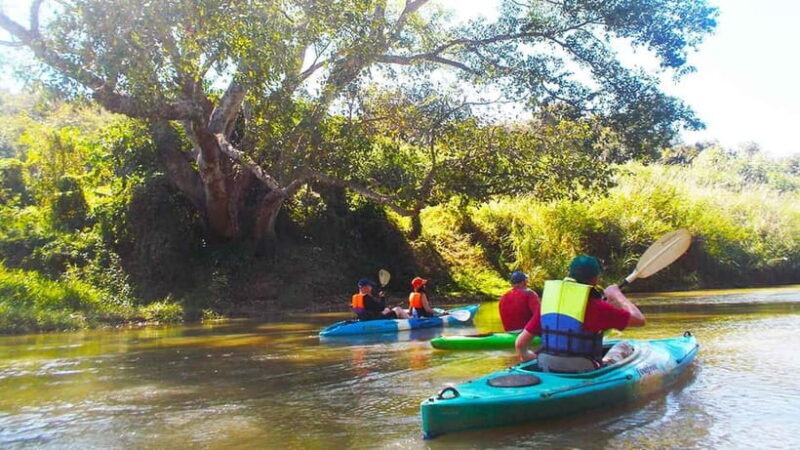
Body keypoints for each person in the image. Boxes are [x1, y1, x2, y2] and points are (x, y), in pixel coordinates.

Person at [515, 255, 646, 372]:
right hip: (584, 369)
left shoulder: (549, 304)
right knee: (624, 346)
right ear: (595, 279)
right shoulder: (599, 308)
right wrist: (617, 295)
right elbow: (639, 320)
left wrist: (530, 357)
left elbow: (520, 344)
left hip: (547, 365)